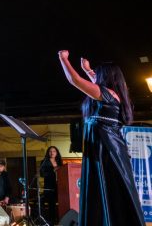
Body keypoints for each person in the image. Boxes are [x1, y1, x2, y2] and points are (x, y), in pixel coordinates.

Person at [58, 51, 144, 225]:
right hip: (107, 147)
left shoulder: (106, 94)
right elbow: (96, 84)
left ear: (105, 77)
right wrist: (88, 70)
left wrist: (64, 59)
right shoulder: (112, 94)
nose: (95, 77)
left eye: (98, 74)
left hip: (106, 148)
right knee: (107, 188)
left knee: (109, 187)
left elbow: (74, 80)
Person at [39, 145, 62, 223]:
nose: (52, 153)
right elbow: (42, 174)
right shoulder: (44, 161)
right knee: (51, 206)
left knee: (61, 204)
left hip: (60, 186)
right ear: (48, 153)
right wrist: (53, 170)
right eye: (50, 151)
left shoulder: (59, 161)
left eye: (54, 151)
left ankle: (60, 221)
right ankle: (51, 223)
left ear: (57, 153)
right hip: (49, 187)